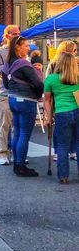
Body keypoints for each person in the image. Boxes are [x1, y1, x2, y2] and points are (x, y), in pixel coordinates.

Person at [3, 36, 44, 177]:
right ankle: (20, 165)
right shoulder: (23, 64)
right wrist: (38, 95)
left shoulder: (7, 64)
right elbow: (38, 83)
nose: (28, 48)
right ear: (17, 47)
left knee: (18, 132)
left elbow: (6, 84)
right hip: (26, 100)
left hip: (12, 99)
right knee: (24, 134)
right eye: (26, 45)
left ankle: (17, 163)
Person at [44, 53, 79, 184]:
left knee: (62, 146)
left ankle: (63, 176)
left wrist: (48, 117)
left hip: (62, 113)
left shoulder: (51, 79)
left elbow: (47, 100)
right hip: (78, 110)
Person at [0, 25, 21, 166]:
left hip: (19, 92)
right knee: (4, 125)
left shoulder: (21, 50)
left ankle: (17, 153)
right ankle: (2, 153)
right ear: (7, 35)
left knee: (18, 125)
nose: (17, 35)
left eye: (19, 33)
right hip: (4, 92)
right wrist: (11, 62)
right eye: (15, 33)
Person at [45, 41, 77, 161]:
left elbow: (48, 79)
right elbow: (48, 79)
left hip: (60, 97)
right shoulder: (54, 63)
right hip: (61, 97)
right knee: (62, 126)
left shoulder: (73, 62)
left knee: (65, 125)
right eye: (74, 50)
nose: (76, 52)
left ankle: (66, 151)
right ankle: (63, 150)